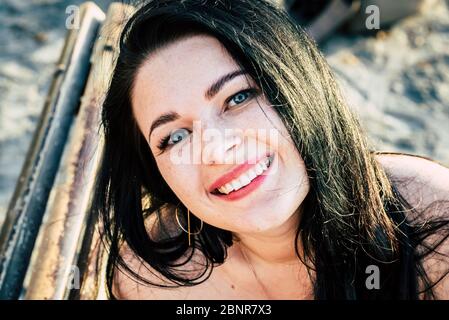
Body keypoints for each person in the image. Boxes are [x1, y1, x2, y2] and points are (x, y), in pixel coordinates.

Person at [94, 0, 449, 299]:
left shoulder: (430, 226)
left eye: (238, 97)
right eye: (174, 137)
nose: (216, 150)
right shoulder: (155, 285)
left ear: (299, 87)